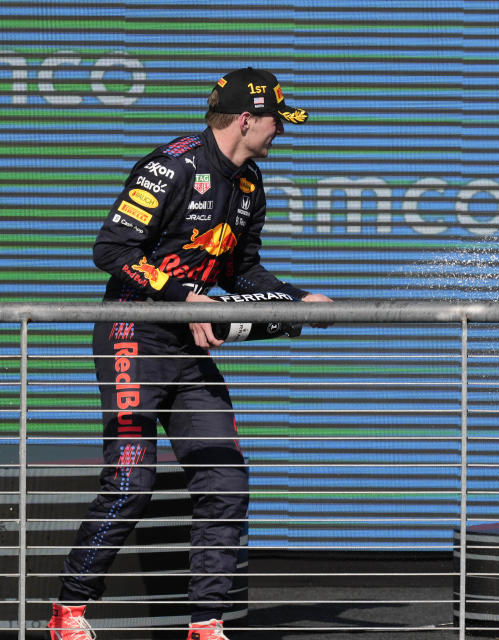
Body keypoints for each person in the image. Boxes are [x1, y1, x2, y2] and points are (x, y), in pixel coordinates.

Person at [48, 68, 331, 640]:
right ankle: (68, 611)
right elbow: (111, 248)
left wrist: (300, 299)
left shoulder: (251, 184)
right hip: (133, 331)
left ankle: (205, 623)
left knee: (225, 479)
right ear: (247, 119)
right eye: (278, 120)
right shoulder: (171, 164)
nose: (281, 132)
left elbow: (242, 271)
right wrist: (185, 298)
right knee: (132, 480)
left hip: (186, 344)